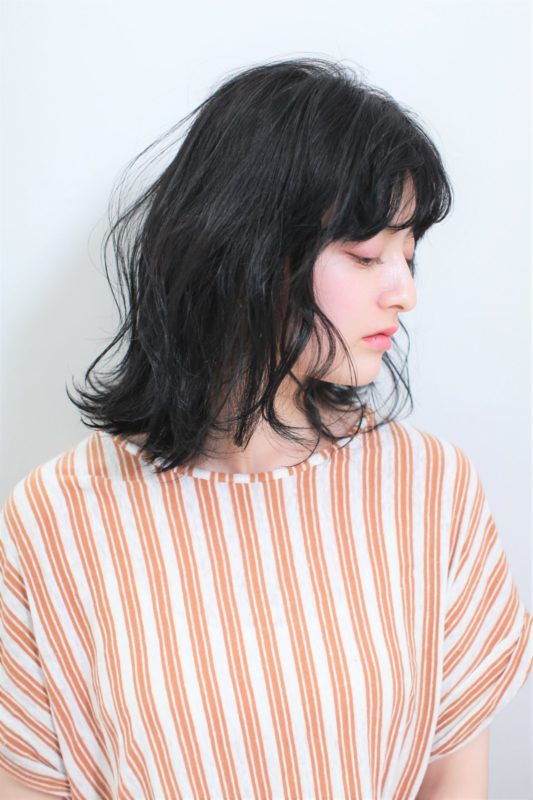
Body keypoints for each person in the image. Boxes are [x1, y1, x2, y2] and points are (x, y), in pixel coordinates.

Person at [0, 57, 531, 800]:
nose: (404, 292)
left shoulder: (428, 488)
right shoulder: (56, 517)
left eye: (408, 255)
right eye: (365, 254)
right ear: (247, 248)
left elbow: (453, 779)